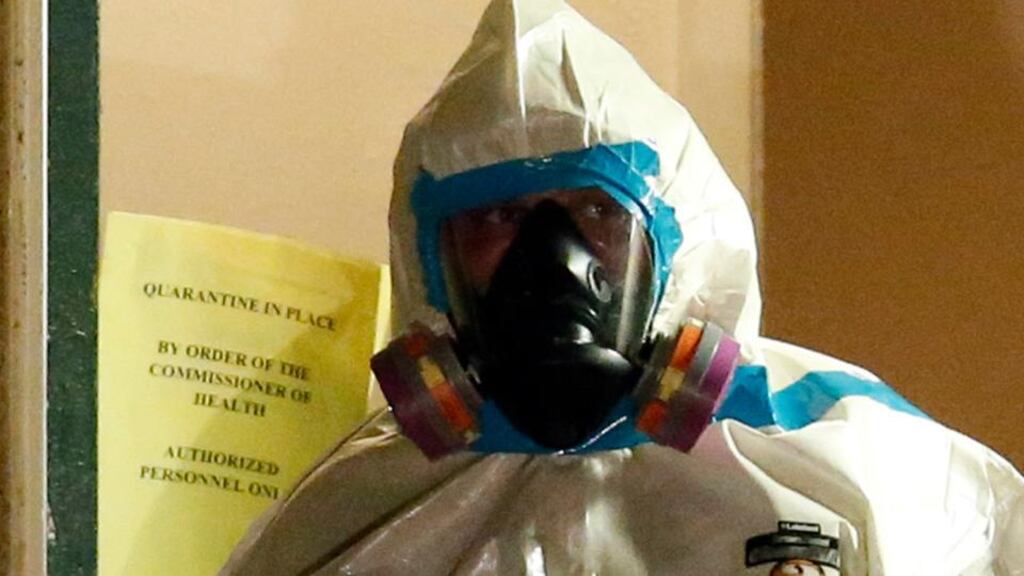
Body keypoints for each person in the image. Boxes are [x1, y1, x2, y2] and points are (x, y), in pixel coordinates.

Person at [221, 1, 1024, 574]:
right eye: (500, 218)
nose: (553, 261)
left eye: (598, 212)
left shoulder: (861, 459)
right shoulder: (350, 510)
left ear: (681, 234)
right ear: (430, 257)